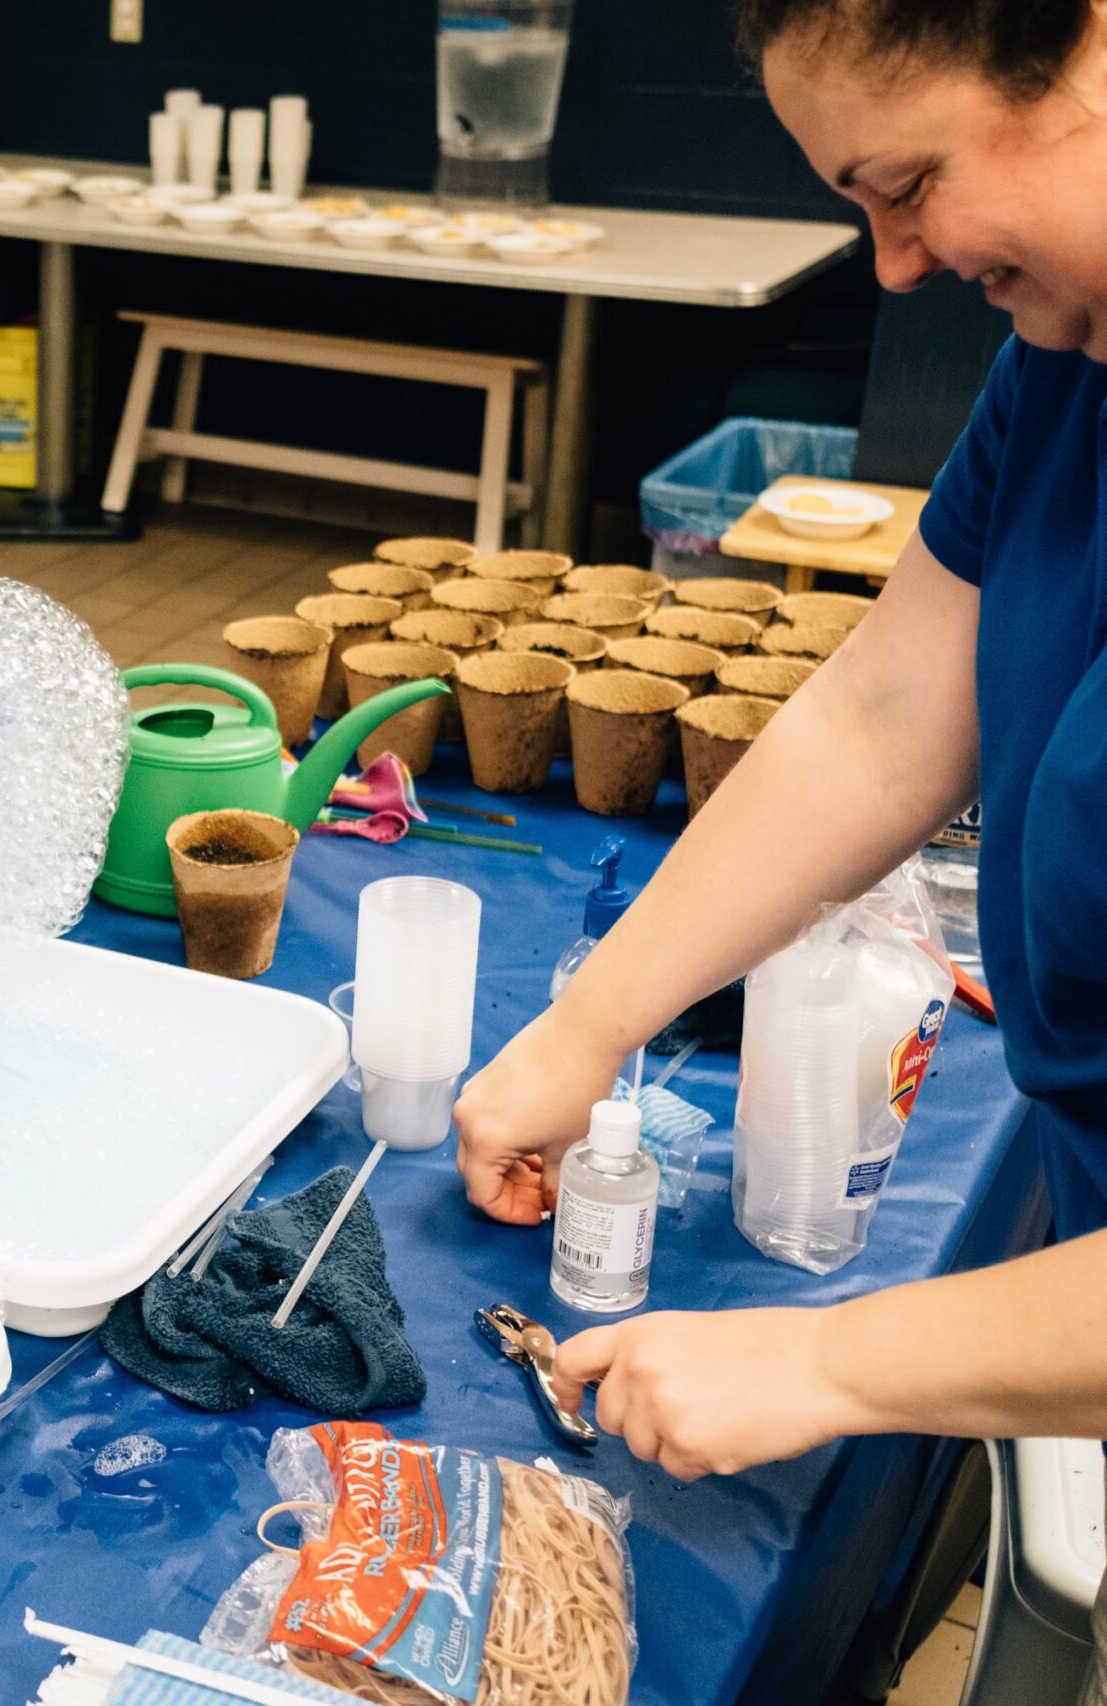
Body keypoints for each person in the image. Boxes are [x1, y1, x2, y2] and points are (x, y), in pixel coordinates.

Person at [453, 0, 1107, 1514]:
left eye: (908, 185)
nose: (895, 265)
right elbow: (886, 718)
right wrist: (590, 1025)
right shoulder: (1069, 356)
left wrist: (834, 1365)